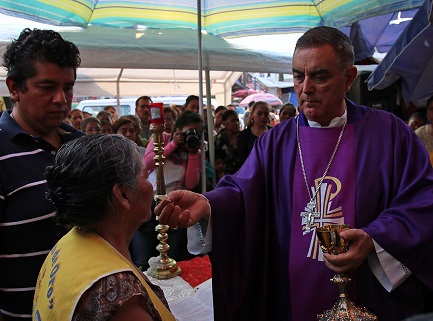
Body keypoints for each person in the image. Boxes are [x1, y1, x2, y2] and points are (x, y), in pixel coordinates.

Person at [155, 26, 433, 321]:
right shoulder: (276, 141)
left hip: (370, 293)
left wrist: (374, 238)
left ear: (349, 78)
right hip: (290, 297)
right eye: (298, 76)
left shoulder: (389, 133)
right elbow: (242, 190)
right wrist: (209, 205)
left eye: (320, 76)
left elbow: (422, 201)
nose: (306, 88)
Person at [33, 135, 174, 321]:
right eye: (145, 176)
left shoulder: (70, 242)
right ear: (123, 194)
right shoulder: (121, 300)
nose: (151, 187)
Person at [0, 28, 84, 321]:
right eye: (47, 87)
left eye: (68, 87)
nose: (61, 99)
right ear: (14, 87)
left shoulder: (81, 146)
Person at [130, 111, 203, 269]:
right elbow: (147, 163)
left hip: (173, 205)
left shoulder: (194, 152)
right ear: (177, 129)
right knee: (142, 259)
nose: (193, 135)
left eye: (197, 133)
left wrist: (192, 154)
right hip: (148, 202)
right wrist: (172, 145)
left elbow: (190, 184)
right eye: (189, 131)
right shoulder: (161, 138)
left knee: (171, 257)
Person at [214, 109, 242, 175]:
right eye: (232, 121)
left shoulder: (243, 137)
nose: (236, 123)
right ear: (224, 123)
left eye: (237, 120)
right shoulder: (219, 139)